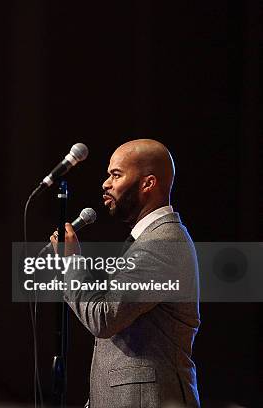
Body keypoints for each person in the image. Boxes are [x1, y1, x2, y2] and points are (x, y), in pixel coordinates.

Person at [50, 139, 200, 408]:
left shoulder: (163, 244)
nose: (106, 183)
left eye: (116, 175)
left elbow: (104, 318)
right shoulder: (150, 241)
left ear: (147, 183)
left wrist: (71, 262)